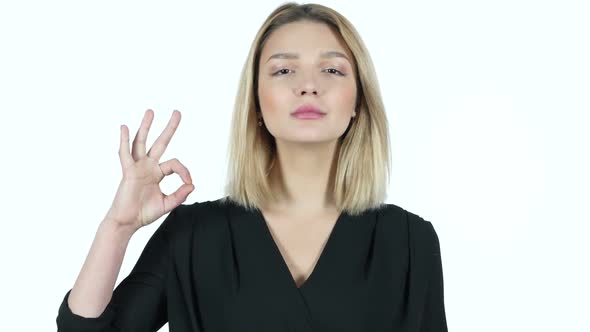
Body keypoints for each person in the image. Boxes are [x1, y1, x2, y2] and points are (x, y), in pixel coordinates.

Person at [56, 2, 448, 331]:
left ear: (358, 101)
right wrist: (118, 227)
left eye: (332, 69)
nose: (308, 85)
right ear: (256, 102)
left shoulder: (410, 242)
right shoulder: (192, 236)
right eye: (283, 70)